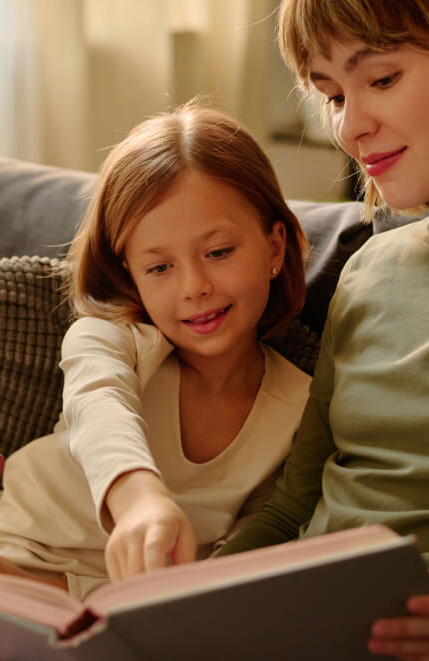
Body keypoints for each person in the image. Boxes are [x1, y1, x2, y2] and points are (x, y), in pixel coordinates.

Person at [0, 102, 311, 600]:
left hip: (120, 605)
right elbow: (98, 405)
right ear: (129, 274)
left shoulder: (300, 409)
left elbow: (235, 566)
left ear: (275, 249)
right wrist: (140, 500)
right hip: (3, 555)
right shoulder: (109, 339)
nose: (194, 287)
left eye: (218, 253)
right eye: (159, 268)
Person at [217, 1, 429, 658]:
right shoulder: (369, 271)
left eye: (382, 79)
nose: (350, 126)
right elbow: (292, 506)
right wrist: (188, 590)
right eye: (332, 94)